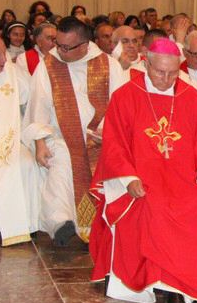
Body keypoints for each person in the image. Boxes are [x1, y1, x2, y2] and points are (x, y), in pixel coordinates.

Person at [88, 39, 197, 303]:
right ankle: (173, 293)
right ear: (145, 64)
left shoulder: (190, 96)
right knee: (158, 208)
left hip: (185, 178)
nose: (166, 79)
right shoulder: (125, 96)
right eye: (159, 72)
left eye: (173, 73)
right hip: (143, 179)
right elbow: (114, 145)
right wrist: (128, 178)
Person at [23, 17, 127, 245]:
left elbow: (121, 106)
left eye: (66, 47)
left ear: (84, 45)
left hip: (101, 137)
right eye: (57, 44)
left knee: (111, 163)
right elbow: (38, 107)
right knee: (60, 163)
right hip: (60, 137)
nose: (59, 51)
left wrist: (108, 133)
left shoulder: (109, 65)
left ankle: (107, 224)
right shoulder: (48, 65)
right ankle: (61, 223)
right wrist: (40, 142)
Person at [0, 34, 41, 246]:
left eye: (4, 54)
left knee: (24, 163)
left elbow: (33, 104)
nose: (3, 60)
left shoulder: (14, 74)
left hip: (9, 135)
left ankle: (24, 223)